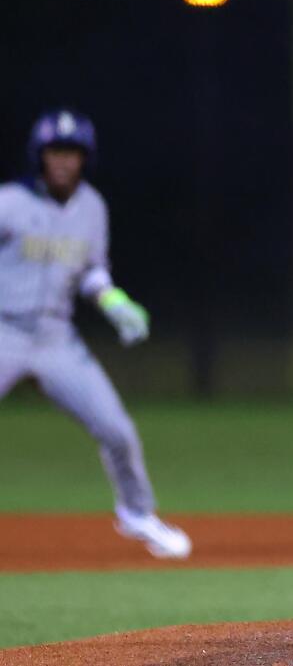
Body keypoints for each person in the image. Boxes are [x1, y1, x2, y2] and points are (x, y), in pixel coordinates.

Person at [0, 110, 191, 560]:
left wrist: (113, 302)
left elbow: (91, 272)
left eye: (73, 153)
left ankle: (137, 513)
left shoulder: (92, 207)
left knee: (117, 429)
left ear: (85, 158)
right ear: (40, 156)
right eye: (56, 152)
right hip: (4, 329)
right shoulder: (9, 201)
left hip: (55, 337)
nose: (64, 161)